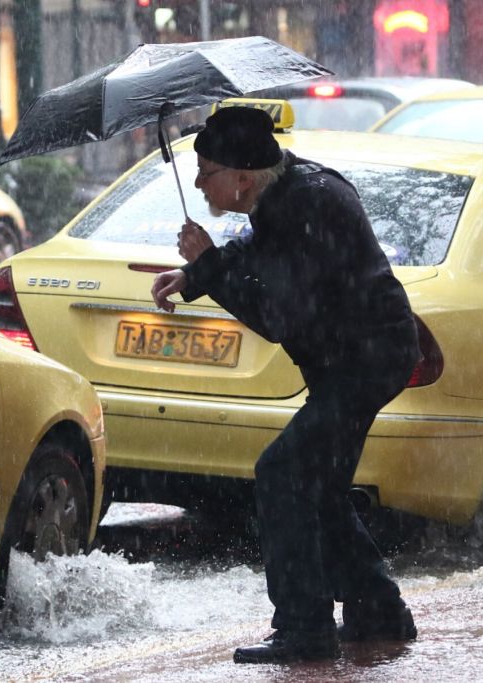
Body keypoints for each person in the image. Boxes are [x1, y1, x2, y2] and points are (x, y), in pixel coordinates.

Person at [150, 106, 420, 664]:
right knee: (319, 486)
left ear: (241, 178)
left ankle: (304, 627)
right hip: (359, 358)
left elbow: (277, 317)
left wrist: (209, 264)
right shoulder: (288, 193)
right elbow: (260, 250)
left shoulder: (305, 204)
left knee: (282, 472)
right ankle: (377, 610)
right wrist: (195, 273)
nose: (198, 184)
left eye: (206, 172)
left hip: (365, 362)